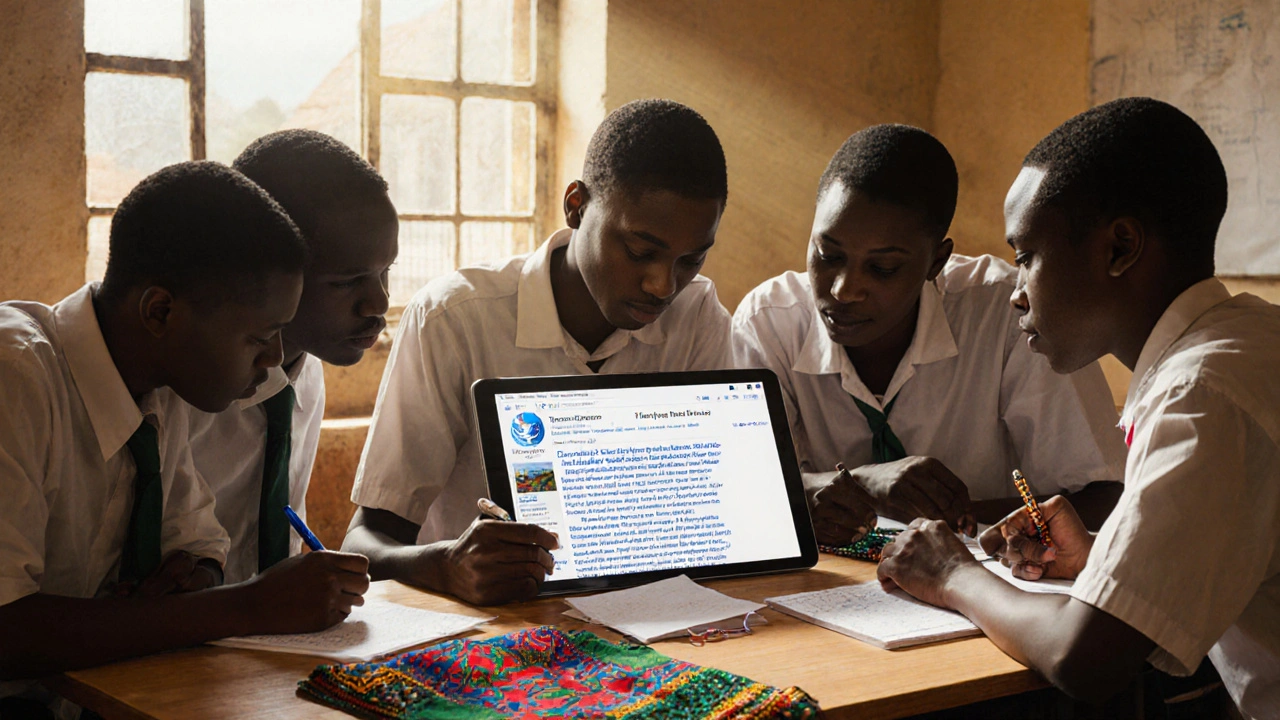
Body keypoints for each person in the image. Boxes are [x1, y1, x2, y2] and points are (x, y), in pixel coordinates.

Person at [876, 98, 1277, 718]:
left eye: (1026, 258)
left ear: (1119, 247)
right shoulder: (1250, 340)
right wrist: (1104, 553)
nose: (1016, 295)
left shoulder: (1199, 393)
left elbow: (1085, 658)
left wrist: (952, 574)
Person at [0, 162, 369, 708]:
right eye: (260, 337)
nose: (272, 363)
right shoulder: (17, 377)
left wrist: (194, 578)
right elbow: (8, 630)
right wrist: (247, 605)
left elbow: (199, 539)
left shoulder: (158, 385)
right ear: (161, 311)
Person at [343, 98, 734, 605]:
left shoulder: (698, 318)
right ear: (576, 206)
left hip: (649, 616)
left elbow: (718, 511)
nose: (663, 285)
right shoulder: (456, 320)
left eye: (691, 260)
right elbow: (365, 541)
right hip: (490, 629)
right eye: (640, 252)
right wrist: (445, 565)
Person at [732, 124, 1125, 548]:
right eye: (828, 255)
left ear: (936, 261)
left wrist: (945, 524)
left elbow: (1102, 496)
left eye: (882, 268)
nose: (844, 289)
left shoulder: (1009, 314)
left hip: (978, 585)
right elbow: (740, 492)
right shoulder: (769, 322)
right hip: (826, 591)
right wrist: (863, 484)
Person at [188, 130, 398, 585]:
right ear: (271, 273)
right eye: (346, 282)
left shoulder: (307, 373)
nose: (378, 304)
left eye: (385, 273)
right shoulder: (190, 388)